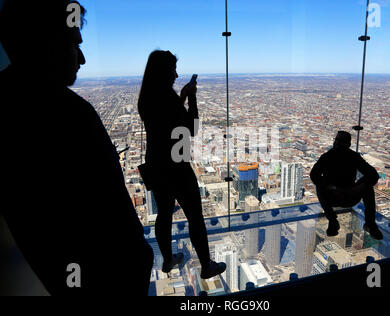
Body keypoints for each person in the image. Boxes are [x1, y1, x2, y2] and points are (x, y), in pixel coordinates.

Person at [0, 1, 153, 295]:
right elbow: (115, 223)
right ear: (45, 42)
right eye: (73, 43)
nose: (81, 58)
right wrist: (139, 262)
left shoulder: (3, 103)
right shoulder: (69, 114)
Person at [138, 50, 226, 279]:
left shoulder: (146, 96)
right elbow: (191, 128)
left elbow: (167, 119)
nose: (176, 75)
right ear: (163, 72)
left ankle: (167, 259)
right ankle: (207, 266)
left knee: (164, 215)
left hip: (156, 164)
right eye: (172, 70)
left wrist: (182, 96)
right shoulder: (166, 97)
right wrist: (192, 96)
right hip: (176, 165)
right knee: (195, 216)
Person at [310, 131, 383, 240]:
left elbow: (373, 175)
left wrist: (355, 189)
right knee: (320, 185)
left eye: (340, 141)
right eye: (336, 140)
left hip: (342, 195)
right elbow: (313, 175)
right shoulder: (348, 156)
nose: (337, 143)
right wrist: (339, 188)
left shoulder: (329, 156)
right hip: (342, 195)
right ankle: (334, 221)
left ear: (348, 144)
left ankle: (367, 224)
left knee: (321, 185)